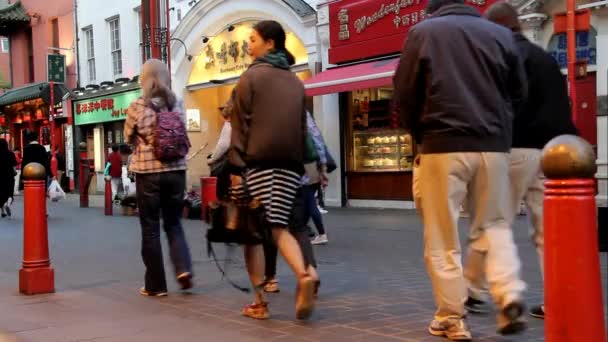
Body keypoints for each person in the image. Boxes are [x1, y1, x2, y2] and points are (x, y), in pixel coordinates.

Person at [393, 0, 528, 339]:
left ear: (432, 10)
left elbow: (405, 93)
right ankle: (508, 293)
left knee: (442, 236)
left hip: (442, 144)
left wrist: (418, 136)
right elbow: (519, 93)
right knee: (492, 226)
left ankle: (452, 317)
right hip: (493, 146)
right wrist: (500, 126)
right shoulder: (500, 34)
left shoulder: (422, 32)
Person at [463, 1, 578, 320]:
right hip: (556, 153)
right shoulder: (543, 56)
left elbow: (495, 105)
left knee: (493, 223)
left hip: (516, 147)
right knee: (547, 233)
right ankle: (559, 299)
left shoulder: (501, 55)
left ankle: (470, 289)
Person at [229, 20, 317, 321]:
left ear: (270, 43)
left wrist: (236, 168)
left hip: (257, 163)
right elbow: (303, 129)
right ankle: (300, 276)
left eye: (253, 39)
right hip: (291, 165)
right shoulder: (295, 81)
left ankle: (290, 283)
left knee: (259, 232)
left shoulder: (250, 78)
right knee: (280, 223)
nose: (248, 45)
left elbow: (239, 127)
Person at [124, 59, 193, 297]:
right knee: (174, 224)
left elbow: (127, 137)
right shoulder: (177, 104)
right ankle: (183, 269)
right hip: (176, 172)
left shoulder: (136, 106)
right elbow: (184, 132)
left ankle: (156, 285)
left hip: (148, 173)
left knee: (150, 228)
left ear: (144, 79)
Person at [263, 111, 327, 294]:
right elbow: (316, 138)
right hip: (301, 177)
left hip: (272, 179)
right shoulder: (300, 109)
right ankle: (310, 271)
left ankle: (271, 278)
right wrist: (321, 168)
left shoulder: (265, 107)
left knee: (271, 228)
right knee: (299, 228)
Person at [208, 90, 235, 200]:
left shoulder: (229, 125)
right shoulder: (241, 124)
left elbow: (223, 145)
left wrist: (212, 159)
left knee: (222, 194)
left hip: (229, 166)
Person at [0, 139, 17, 218]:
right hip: (9, 175)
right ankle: (8, 203)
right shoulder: (11, 154)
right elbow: (14, 166)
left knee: (1, 193)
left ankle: (2, 211)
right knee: (10, 192)